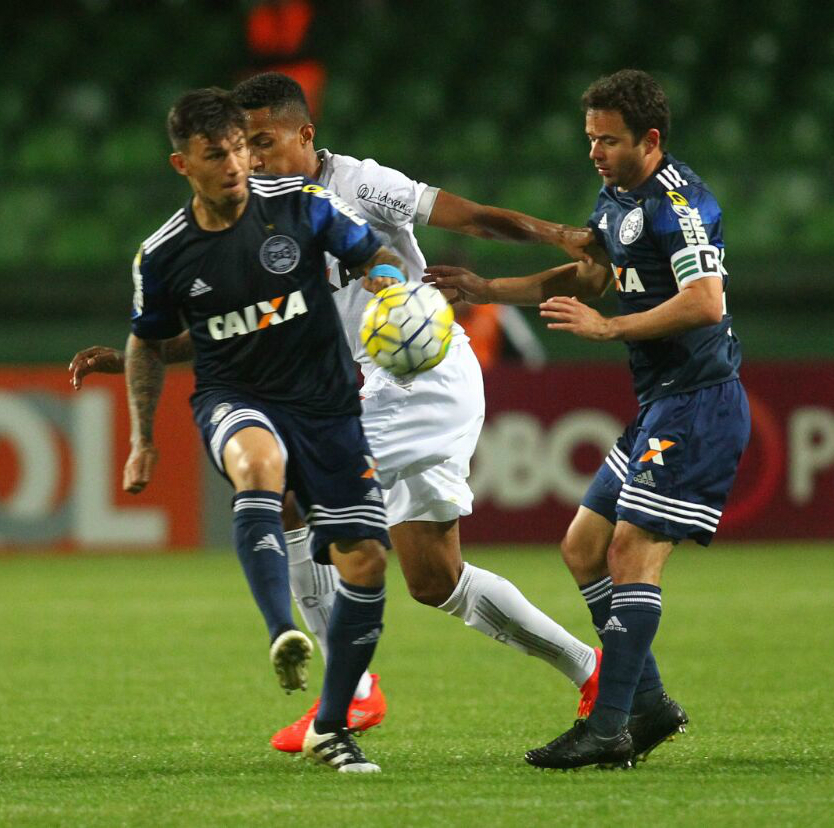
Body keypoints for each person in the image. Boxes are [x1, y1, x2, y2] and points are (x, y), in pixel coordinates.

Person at [72, 72, 602, 754]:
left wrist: (557, 232)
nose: (252, 160)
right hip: (381, 381)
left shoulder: (358, 185)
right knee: (434, 578)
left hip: (419, 373)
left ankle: (347, 697)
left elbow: (469, 217)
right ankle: (592, 670)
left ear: (306, 135)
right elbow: (232, 321)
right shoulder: (262, 212)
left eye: (262, 143)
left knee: (286, 486)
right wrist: (136, 355)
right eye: (241, 146)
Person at [427, 69, 751, 770]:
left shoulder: (681, 205)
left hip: (700, 402)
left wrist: (610, 330)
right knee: (582, 546)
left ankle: (607, 728)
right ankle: (648, 705)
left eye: (609, 140)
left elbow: (706, 303)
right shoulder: (616, 199)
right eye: (591, 139)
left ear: (651, 139)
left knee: (631, 556)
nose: (595, 152)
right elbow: (586, 276)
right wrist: (487, 291)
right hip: (659, 403)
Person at [127, 87, 401, 771]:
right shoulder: (163, 256)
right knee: (258, 468)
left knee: (366, 561)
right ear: (181, 164)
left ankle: (331, 724)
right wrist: (142, 437)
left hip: (328, 406)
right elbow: (147, 343)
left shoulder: (305, 208)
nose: (234, 165)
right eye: (215, 154)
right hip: (236, 396)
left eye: (241, 150)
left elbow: (374, 257)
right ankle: (284, 632)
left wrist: (393, 292)